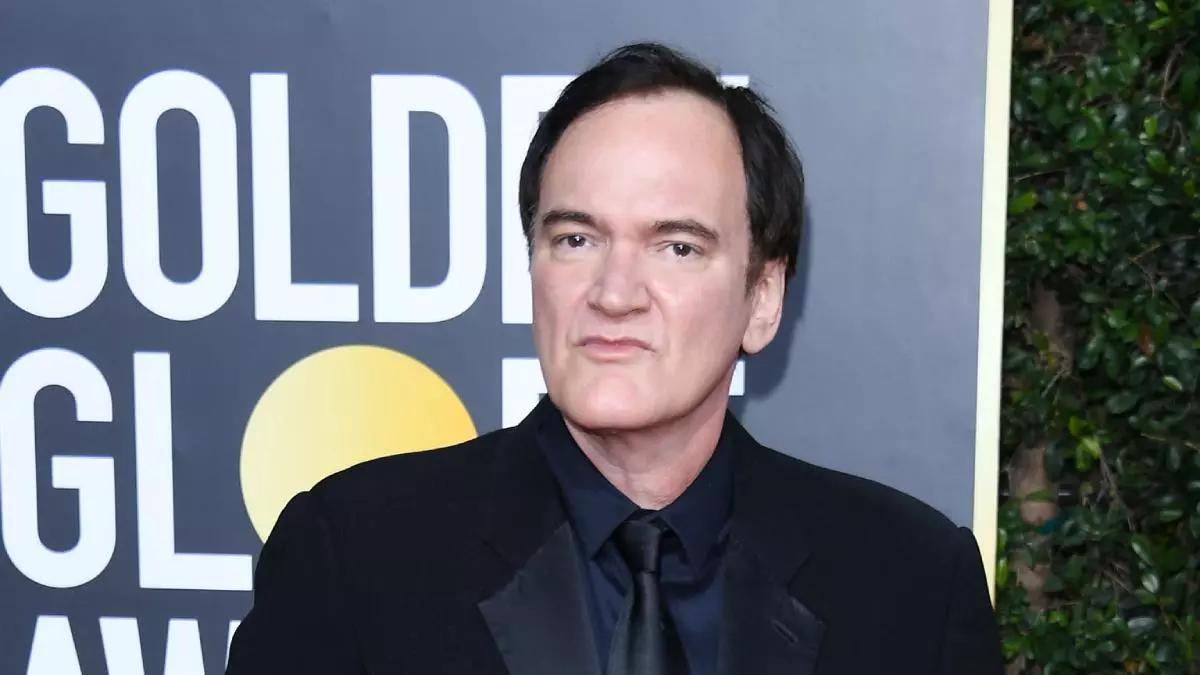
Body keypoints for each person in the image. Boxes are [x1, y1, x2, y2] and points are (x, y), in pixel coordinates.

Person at [226, 41, 1003, 675]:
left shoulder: (910, 582)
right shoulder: (356, 555)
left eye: (677, 246)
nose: (614, 292)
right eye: (576, 239)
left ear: (763, 297)